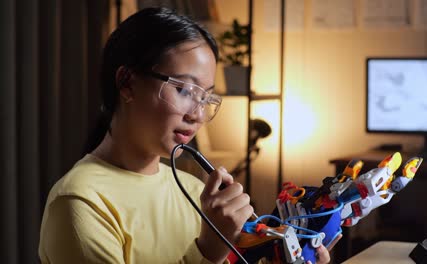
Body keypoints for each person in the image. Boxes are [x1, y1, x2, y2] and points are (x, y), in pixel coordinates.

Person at [38, 7, 334, 264]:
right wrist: (208, 250)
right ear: (127, 83)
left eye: (206, 98)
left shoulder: (194, 191)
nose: (198, 115)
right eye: (184, 90)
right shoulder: (79, 202)